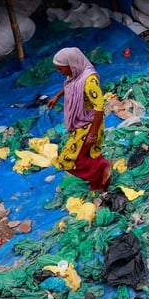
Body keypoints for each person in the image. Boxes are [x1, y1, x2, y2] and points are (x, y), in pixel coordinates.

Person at [48, 47, 112, 191]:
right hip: (80, 121)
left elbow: (99, 106)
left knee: (68, 159)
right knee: (88, 154)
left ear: (72, 65)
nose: (60, 72)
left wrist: (93, 132)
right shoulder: (76, 74)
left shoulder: (89, 80)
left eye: (61, 69)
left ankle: (103, 167)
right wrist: (57, 96)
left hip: (89, 123)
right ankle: (99, 186)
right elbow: (71, 85)